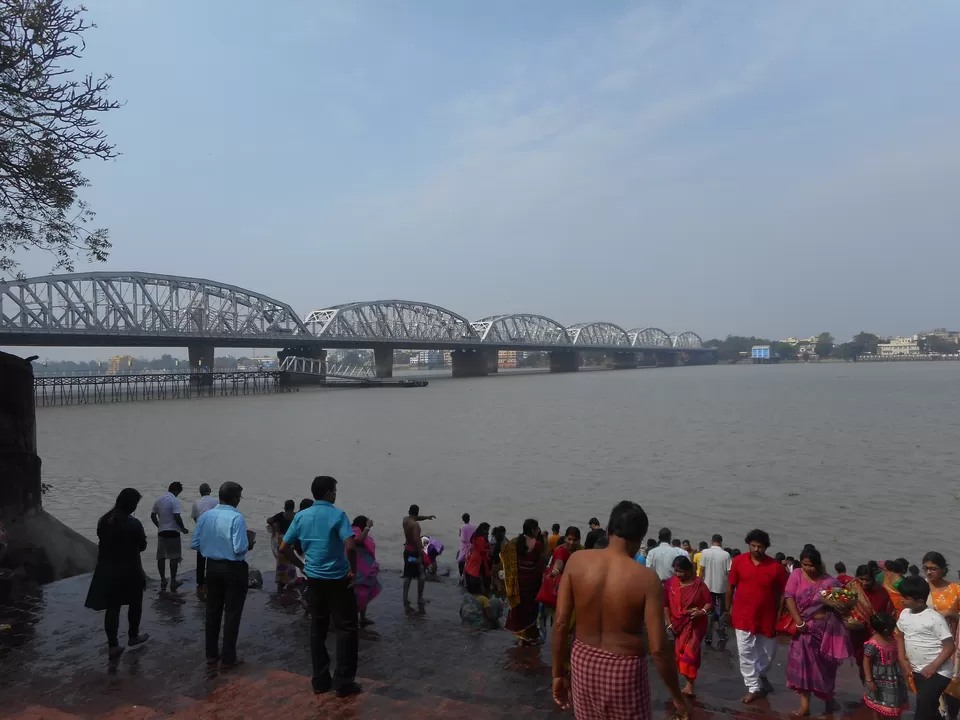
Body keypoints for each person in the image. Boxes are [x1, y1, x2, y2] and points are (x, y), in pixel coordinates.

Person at [551, 501, 689, 720]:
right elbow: (659, 649)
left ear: (607, 530)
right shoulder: (646, 579)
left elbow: (560, 623)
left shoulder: (577, 561)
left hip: (583, 660)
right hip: (624, 669)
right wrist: (677, 697)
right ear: (641, 538)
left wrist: (558, 673)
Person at [280, 476, 361, 697]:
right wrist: (353, 570)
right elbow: (351, 546)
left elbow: (284, 547)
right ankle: (343, 682)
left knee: (318, 629)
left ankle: (320, 680)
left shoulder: (302, 516)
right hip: (337, 579)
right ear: (327, 493)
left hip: (313, 579)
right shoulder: (338, 515)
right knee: (346, 629)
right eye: (334, 490)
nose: (335, 494)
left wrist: (301, 566)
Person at [783, 547, 852, 716]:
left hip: (823, 633)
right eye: (804, 564)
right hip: (802, 631)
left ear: (818, 565)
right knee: (803, 667)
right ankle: (805, 706)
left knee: (824, 669)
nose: (807, 568)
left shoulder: (830, 582)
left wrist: (841, 606)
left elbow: (844, 603)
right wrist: (799, 621)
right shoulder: (796, 574)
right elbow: (789, 597)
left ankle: (828, 698)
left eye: (811, 565)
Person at [191, 481, 253, 669]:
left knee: (212, 612)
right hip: (233, 569)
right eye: (239, 497)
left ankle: (211, 655)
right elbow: (239, 548)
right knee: (232, 613)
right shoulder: (237, 518)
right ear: (235, 498)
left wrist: (213, 545)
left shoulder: (205, 516)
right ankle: (228, 657)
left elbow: (195, 544)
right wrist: (250, 544)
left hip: (212, 568)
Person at [84, 488, 150, 659]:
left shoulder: (104, 520)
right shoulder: (134, 524)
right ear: (132, 504)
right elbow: (142, 546)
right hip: (130, 569)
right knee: (135, 602)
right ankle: (133, 636)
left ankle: (113, 645)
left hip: (107, 569)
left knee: (113, 607)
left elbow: (102, 538)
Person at [726, 528, 788, 704]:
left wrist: (779, 615)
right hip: (742, 614)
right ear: (748, 545)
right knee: (745, 652)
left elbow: (784, 593)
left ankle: (760, 675)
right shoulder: (738, 561)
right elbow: (730, 587)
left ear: (766, 547)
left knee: (769, 652)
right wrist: (726, 611)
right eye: (753, 546)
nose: (756, 549)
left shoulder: (776, 567)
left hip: (767, 616)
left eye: (760, 546)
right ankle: (753, 687)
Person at [896, 575, 956, 720]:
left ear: (920, 601)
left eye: (905, 597)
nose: (901, 600)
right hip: (918, 670)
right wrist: (902, 660)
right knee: (929, 706)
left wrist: (933, 667)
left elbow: (949, 646)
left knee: (922, 708)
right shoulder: (904, 614)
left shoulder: (934, 619)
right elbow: (899, 635)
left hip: (939, 671)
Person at [664, 555, 712, 697]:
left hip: (695, 625)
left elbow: (708, 603)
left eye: (681, 571)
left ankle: (690, 684)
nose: (678, 574)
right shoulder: (670, 584)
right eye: (676, 571)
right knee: (679, 655)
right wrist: (669, 623)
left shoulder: (699, 585)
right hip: (678, 625)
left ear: (689, 572)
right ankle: (686, 681)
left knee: (690, 655)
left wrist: (701, 612)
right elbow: (666, 605)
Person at [850, 563, 895, 682]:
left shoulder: (881, 593)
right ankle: (866, 687)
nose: (865, 583)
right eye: (862, 579)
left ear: (873, 579)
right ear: (856, 578)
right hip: (857, 631)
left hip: (876, 633)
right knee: (861, 661)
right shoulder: (851, 589)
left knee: (876, 661)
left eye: (868, 580)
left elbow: (889, 612)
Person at [503, 518, 544, 646]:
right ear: (533, 530)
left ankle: (521, 638)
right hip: (532, 583)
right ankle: (527, 637)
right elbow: (540, 563)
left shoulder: (516, 542)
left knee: (519, 609)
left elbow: (505, 555)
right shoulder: (537, 544)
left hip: (517, 582)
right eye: (537, 528)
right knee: (530, 610)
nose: (538, 531)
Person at [863, 612, 909, 719]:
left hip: (894, 677)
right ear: (885, 630)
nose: (893, 631)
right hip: (878, 679)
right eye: (892, 629)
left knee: (895, 702)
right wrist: (869, 680)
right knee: (877, 704)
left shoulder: (892, 639)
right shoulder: (873, 644)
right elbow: (866, 661)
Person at [538, 526, 582, 626]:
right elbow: (559, 562)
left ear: (579, 540)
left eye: (574, 540)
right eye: (569, 539)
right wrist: (556, 571)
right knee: (561, 619)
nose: (571, 542)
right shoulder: (560, 550)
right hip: (560, 588)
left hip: (575, 588)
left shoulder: (581, 550)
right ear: (565, 538)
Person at [150, 482, 189, 592]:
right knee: (174, 557)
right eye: (179, 492)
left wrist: (159, 525)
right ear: (176, 490)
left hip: (162, 532)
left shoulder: (158, 500)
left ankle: (163, 580)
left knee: (161, 557)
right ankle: (173, 581)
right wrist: (183, 528)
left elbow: (152, 515)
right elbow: (177, 516)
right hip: (173, 532)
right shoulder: (174, 500)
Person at [699, 533, 732, 647]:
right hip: (721, 587)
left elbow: (702, 569)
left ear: (712, 541)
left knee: (709, 612)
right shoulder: (726, 554)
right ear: (721, 542)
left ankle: (708, 637)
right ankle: (722, 634)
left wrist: (700, 583)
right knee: (721, 612)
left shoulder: (705, 552)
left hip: (707, 587)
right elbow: (729, 571)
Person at [402, 504, 435, 610]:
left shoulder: (405, 520)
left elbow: (416, 517)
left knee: (408, 575)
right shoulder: (415, 525)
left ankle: (404, 597)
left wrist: (426, 517)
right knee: (421, 573)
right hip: (413, 553)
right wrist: (420, 553)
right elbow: (416, 539)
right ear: (417, 512)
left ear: (409, 511)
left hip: (406, 551)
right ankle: (420, 598)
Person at [351, 515, 380, 628]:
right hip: (357, 568)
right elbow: (359, 541)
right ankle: (353, 617)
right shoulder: (353, 532)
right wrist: (367, 528)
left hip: (365, 568)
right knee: (359, 593)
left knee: (366, 592)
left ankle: (362, 617)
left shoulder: (361, 533)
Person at [190, 483, 218, 600]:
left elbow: (194, 517)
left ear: (200, 492)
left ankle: (200, 582)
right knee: (212, 556)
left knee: (200, 556)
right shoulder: (216, 501)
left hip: (201, 531)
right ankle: (211, 580)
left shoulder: (196, 502)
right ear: (210, 490)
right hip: (213, 530)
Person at [922, 552, 960, 634]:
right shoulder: (919, 587)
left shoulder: (956, 589)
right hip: (923, 637)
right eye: (926, 568)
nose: (929, 572)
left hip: (947, 637)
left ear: (943, 569)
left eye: (933, 569)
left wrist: (952, 614)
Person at [267, 500, 297, 592]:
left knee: (281, 562)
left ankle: (281, 583)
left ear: (285, 507)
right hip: (292, 541)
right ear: (293, 507)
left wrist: (274, 526)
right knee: (292, 562)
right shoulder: (296, 515)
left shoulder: (280, 515)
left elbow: (269, 520)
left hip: (281, 541)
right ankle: (292, 581)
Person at [463, 522, 491, 594]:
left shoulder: (475, 536)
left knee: (470, 568)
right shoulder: (481, 538)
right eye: (487, 530)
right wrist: (488, 550)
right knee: (475, 572)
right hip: (478, 556)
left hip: (473, 555)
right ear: (484, 529)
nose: (488, 532)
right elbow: (481, 550)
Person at [457, 513, 474, 584]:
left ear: (463, 519)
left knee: (461, 562)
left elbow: (463, 539)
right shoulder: (474, 526)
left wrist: (460, 533)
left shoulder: (463, 527)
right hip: (472, 547)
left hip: (464, 548)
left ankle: (462, 577)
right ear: (469, 518)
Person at [490, 526, 507, 597]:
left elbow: (492, 555)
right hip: (503, 564)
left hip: (497, 564)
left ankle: (498, 589)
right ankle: (501, 590)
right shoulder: (503, 544)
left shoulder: (496, 545)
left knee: (495, 576)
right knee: (501, 578)